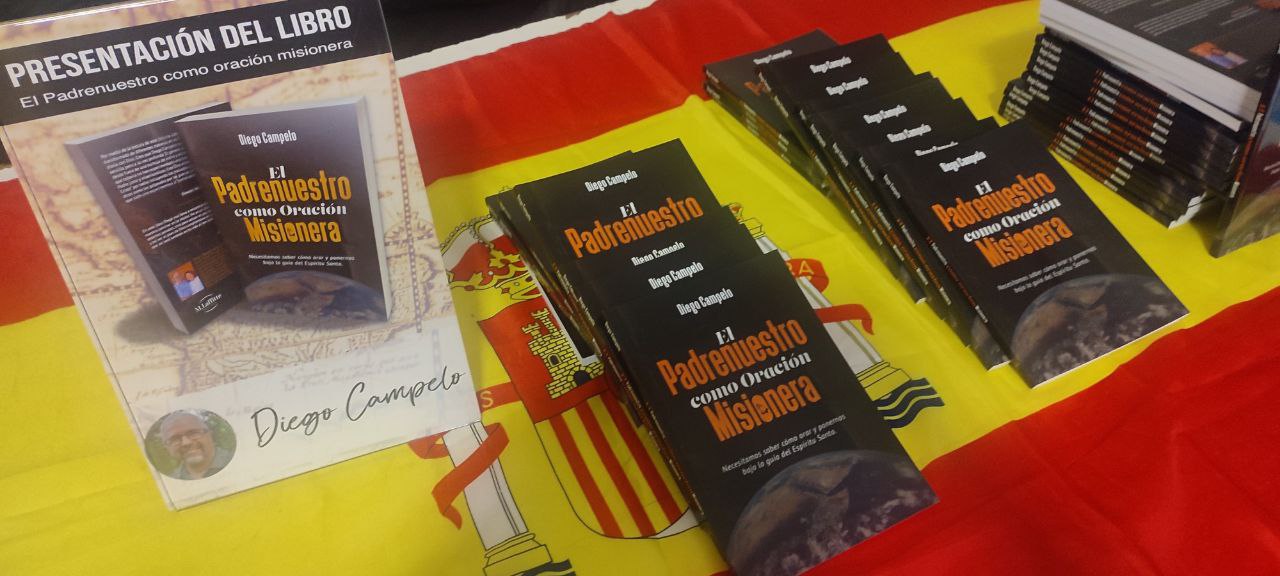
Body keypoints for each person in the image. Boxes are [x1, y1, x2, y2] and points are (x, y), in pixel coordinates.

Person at [159, 411, 232, 480]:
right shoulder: (169, 480)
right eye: (175, 439)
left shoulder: (236, 461)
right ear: (167, 448)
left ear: (210, 435)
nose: (186, 442)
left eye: (193, 433)